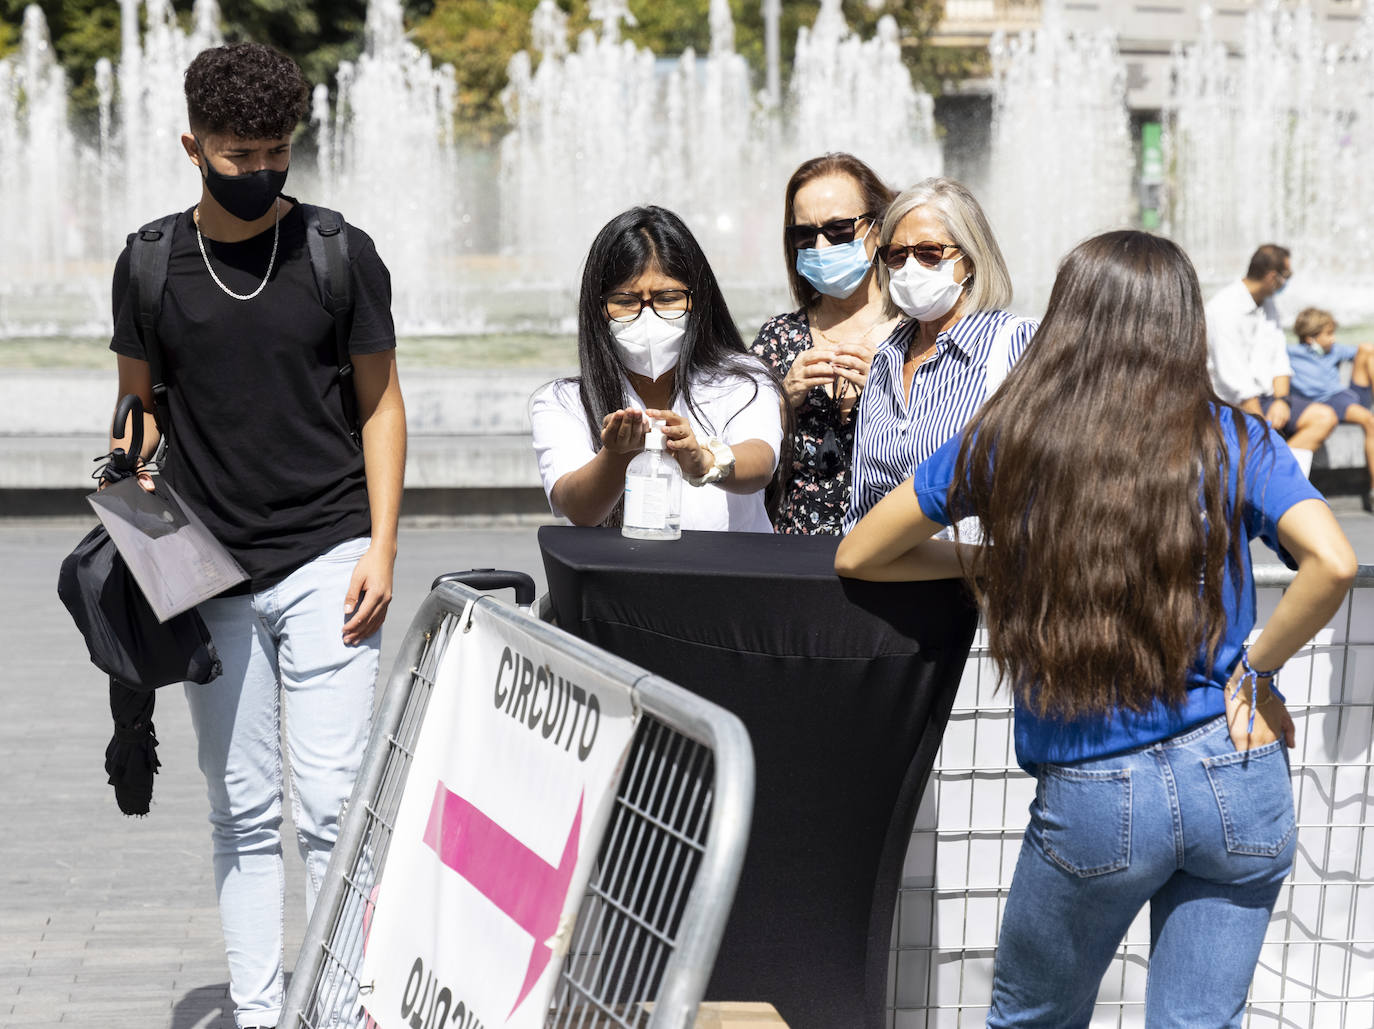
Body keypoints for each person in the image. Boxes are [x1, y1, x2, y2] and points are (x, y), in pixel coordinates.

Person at [836, 230, 1357, 1026]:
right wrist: (1255, 669)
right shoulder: (1234, 439)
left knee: (1033, 1019)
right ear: (1183, 324)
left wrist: (989, 563)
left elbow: (862, 553)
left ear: (1068, 321)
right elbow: (1333, 562)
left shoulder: (1015, 441)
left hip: (1096, 783)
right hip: (1238, 770)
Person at [106, 43, 406, 1029]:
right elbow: (136, 408)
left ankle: (339, 1006)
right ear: (193, 147)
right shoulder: (150, 261)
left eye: (277, 150)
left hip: (328, 554)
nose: (261, 171)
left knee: (330, 807)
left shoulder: (336, 251)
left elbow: (381, 407)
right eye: (239, 155)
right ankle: (257, 1008)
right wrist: (131, 496)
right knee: (240, 809)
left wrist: (384, 547)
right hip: (205, 570)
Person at [530, 206, 783, 532]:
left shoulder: (744, 381)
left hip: (731, 577)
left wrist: (704, 460)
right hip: (625, 581)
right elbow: (578, 508)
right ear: (599, 308)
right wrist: (618, 453)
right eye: (626, 301)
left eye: (666, 298)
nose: (647, 316)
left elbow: (760, 464)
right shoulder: (563, 401)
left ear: (697, 298)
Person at [842, 176, 1036, 532]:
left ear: (971, 259)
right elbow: (865, 500)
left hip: (973, 575)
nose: (910, 267)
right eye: (896, 255)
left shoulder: (1015, 345)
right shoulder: (887, 357)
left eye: (929, 252)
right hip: (888, 576)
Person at [748, 153, 898, 534]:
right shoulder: (779, 337)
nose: (821, 246)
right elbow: (735, 453)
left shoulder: (917, 332)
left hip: (890, 554)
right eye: (804, 235)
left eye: (839, 230)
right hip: (790, 556)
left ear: (877, 230)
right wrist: (782, 400)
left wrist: (888, 394)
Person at [1205, 244, 1337, 477]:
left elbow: (1279, 359)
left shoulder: (1268, 305)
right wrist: (1263, 426)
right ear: (1272, 277)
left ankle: (1279, 475)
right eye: (1287, 276)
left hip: (1267, 398)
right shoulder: (1222, 310)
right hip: (1230, 405)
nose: (1287, 283)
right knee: (1265, 438)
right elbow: (1234, 380)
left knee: (1324, 417)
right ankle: (1279, 477)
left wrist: (1282, 400)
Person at [1289, 307, 1374, 511]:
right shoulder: (1291, 354)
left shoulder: (1333, 350)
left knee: (1367, 350)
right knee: (1370, 421)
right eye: (1328, 334)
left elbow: (1360, 353)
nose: (1333, 339)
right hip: (1327, 402)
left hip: (1345, 397)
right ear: (1311, 337)